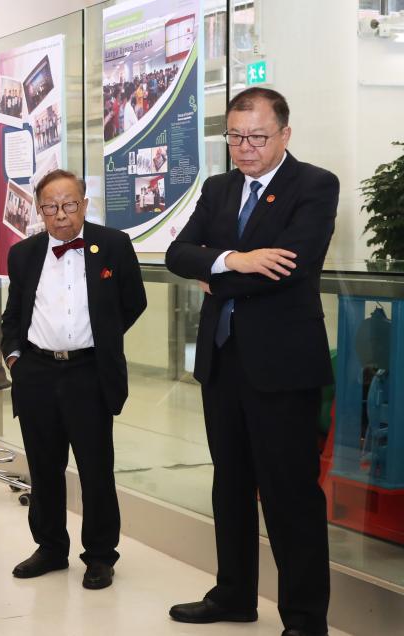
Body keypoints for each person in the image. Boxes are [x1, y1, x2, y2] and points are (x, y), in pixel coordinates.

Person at [165, 87, 338, 636]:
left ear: (284, 134)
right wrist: (236, 259)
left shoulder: (314, 185)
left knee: (290, 495)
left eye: (257, 137)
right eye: (235, 137)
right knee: (230, 485)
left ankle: (305, 620)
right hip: (223, 360)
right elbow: (177, 254)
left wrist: (213, 271)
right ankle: (234, 595)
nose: (245, 148)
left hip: (283, 367)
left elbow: (289, 267)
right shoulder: (218, 188)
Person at [1, 169, 146, 589]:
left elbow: (133, 302)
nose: (61, 214)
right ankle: (50, 548)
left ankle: (100, 555)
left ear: (84, 204)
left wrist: (101, 337)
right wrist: (15, 358)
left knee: (96, 468)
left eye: (69, 205)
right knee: (44, 467)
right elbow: (14, 314)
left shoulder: (113, 245)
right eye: (51, 207)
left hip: (89, 372)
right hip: (37, 372)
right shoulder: (23, 254)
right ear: (38, 210)